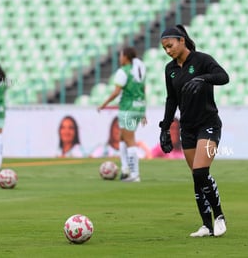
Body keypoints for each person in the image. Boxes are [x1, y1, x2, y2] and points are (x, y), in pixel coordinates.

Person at [158, 25, 229, 237]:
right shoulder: (170, 69)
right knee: (196, 177)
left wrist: (203, 78)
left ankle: (219, 217)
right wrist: (165, 128)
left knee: (200, 171)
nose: (168, 51)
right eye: (164, 48)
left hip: (208, 124)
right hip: (187, 128)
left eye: (170, 46)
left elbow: (224, 77)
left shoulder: (202, 60)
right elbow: (171, 100)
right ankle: (206, 226)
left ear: (181, 40)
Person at [98, 47, 147, 182]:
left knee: (129, 140)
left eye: (121, 56)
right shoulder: (139, 71)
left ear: (126, 57)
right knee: (122, 137)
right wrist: (143, 112)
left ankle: (134, 175)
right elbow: (143, 90)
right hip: (138, 108)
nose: (120, 59)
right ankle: (125, 169)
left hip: (127, 109)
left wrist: (104, 104)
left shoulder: (123, 72)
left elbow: (116, 92)